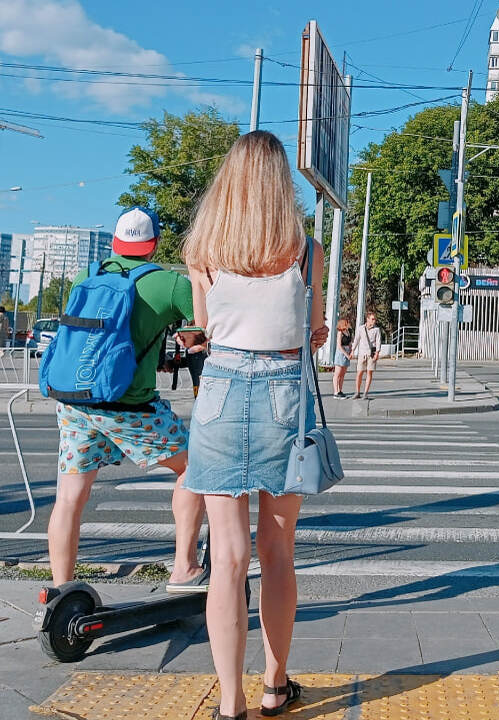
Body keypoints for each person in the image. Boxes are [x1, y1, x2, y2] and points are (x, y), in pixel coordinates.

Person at [182, 130, 328, 720]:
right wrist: (309, 332)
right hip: (283, 396)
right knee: (279, 550)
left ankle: (228, 703)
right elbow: (311, 329)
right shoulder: (306, 249)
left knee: (228, 556)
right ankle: (274, 686)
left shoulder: (203, 252)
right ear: (279, 184)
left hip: (218, 393)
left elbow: (203, 327)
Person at [46, 206, 208, 594]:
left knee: (69, 496)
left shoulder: (87, 275)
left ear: (115, 242)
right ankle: (185, 568)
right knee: (195, 469)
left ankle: (60, 591)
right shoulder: (171, 284)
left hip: (76, 401)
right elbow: (200, 334)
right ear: (154, 244)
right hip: (129, 405)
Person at [352, 312, 382, 399]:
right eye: (372, 319)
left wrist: (377, 353)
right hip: (362, 353)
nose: (374, 321)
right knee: (359, 372)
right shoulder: (361, 328)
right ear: (367, 319)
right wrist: (352, 351)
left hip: (371, 354)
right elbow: (356, 339)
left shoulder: (377, 329)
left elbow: (378, 342)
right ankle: (357, 392)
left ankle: (365, 393)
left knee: (369, 372)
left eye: (374, 319)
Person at [176, 327, 208, 397]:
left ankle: (199, 399)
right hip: (195, 352)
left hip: (198, 352)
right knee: (198, 381)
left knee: (198, 381)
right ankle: (198, 399)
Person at [332, 318, 353, 399]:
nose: (348, 323)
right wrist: (346, 354)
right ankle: (336, 391)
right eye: (347, 322)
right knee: (337, 373)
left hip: (347, 351)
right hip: (341, 353)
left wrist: (351, 352)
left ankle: (340, 390)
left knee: (343, 374)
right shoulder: (340, 332)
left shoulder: (349, 332)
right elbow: (339, 346)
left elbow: (350, 342)